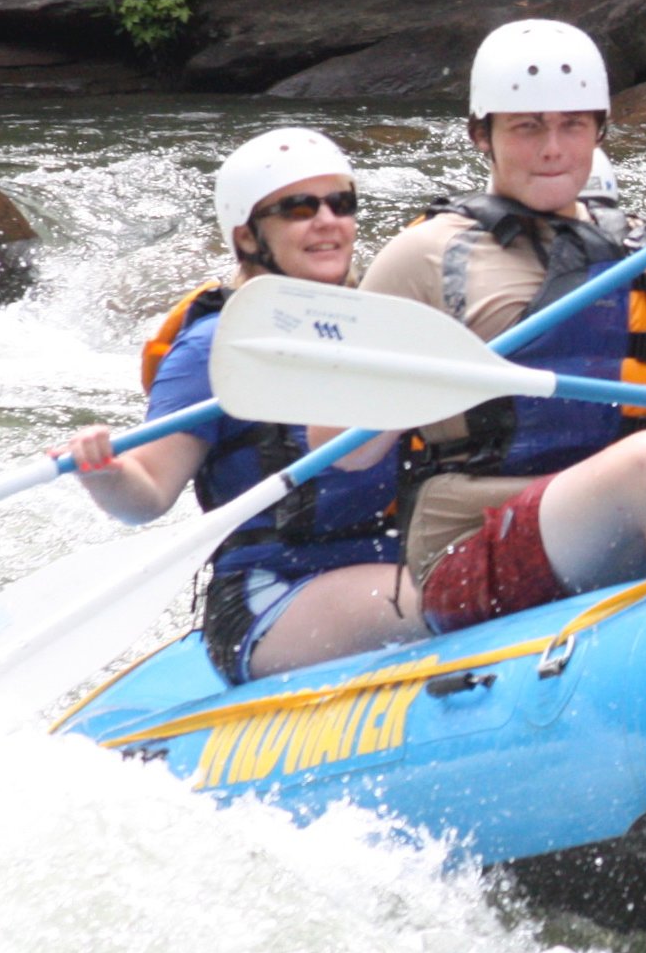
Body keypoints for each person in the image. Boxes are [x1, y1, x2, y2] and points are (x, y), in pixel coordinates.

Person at [343, 19, 646, 634]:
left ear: (599, 131)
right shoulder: (424, 257)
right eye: (528, 127)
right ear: (482, 135)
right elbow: (343, 449)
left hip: (637, 510)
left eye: (572, 125)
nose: (553, 149)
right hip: (473, 544)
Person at [57, 128, 424, 683]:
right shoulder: (215, 348)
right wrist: (105, 472)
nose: (328, 221)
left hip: (393, 560)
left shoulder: (386, 323)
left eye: (340, 204)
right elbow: (148, 495)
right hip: (272, 594)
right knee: (475, 593)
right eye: (299, 208)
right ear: (248, 237)